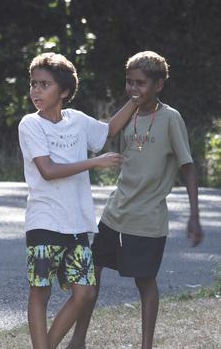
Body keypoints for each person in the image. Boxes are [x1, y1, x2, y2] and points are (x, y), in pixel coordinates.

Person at [67, 51, 204, 349]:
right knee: (93, 274)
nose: (133, 89)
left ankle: (146, 346)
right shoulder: (128, 114)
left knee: (145, 282)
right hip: (115, 213)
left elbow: (188, 167)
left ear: (159, 84)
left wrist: (195, 215)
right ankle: (78, 339)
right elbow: (106, 137)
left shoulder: (171, 118)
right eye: (129, 82)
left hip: (148, 219)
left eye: (140, 83)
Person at [18, 52, 138, 349]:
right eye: (33, 84)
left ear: (65, 91)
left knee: (85, 292)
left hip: (76, 224)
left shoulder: (78, 121)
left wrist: (135, 100)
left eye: (44, 85)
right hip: (44, 221)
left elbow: (107, 131)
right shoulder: (30, 124)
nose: (36, 91)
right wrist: (93, 163)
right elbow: (47, 170)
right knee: (40, 292)